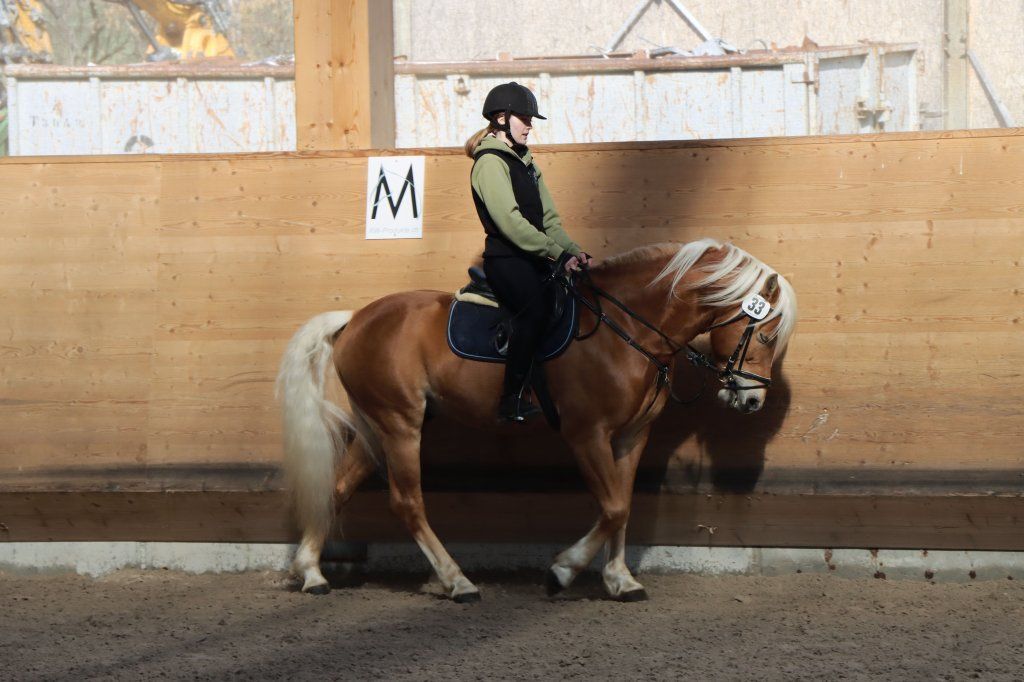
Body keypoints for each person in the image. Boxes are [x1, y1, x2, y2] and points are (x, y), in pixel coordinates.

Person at [464, 82, 593, 423]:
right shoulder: (490, 163)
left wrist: (574, 252)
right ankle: (512, 398)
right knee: (534, 313)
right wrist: (556, 254)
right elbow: (509, 222)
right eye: (524, 118)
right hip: (507, 260)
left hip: (533, 257)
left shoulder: (527, 163)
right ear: (502, 118)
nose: (530, 124)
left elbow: (549, 218)